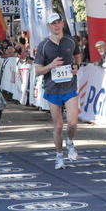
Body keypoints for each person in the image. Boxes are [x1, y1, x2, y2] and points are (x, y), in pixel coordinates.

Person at [34, 12, 82, 170]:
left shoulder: (70, 41)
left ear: (62, 24)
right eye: (52, 23)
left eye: (58, 22)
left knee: (73, 123)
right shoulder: (44, 45)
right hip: (52, 90)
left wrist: (76, 66)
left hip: (69, 87)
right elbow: (38, 70)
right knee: (59, 126)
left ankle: (70, 142)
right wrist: (51, 65)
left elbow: (78, 56)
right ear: (48, 26)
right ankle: (59, 156)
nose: (56, 25)